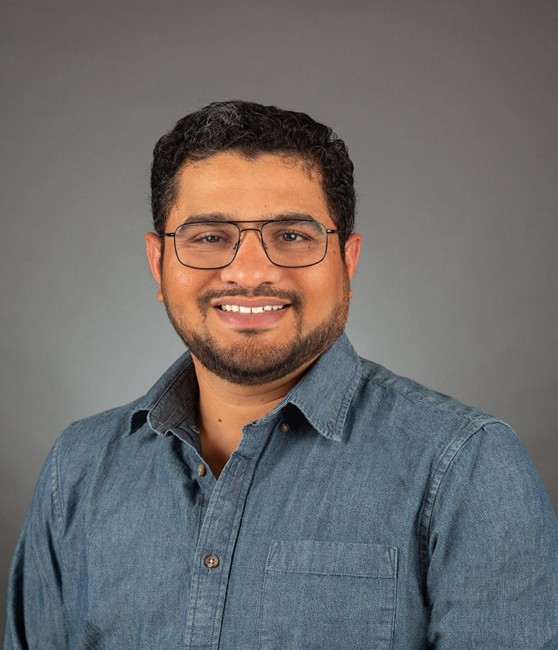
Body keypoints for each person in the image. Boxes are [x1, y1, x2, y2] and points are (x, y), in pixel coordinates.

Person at [5, 100, 557, 649]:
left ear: (348, 262)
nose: (249, 272)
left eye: (291, 235)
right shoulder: (77, 468)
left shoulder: (467, 466)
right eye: (209, 236)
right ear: (158, 263)